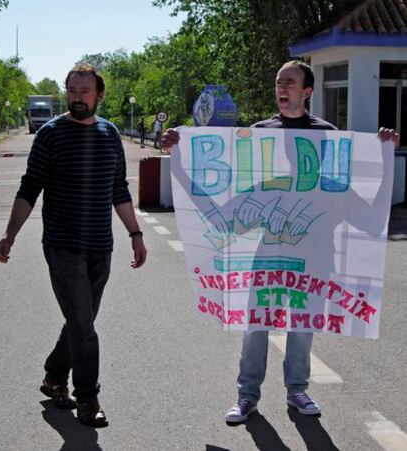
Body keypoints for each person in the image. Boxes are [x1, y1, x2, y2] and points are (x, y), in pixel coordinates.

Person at [162, 60, 399, 423]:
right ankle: (246, 396)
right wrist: (179, 155)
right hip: (268, 250)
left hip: (316, 252)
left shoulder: (327, 135)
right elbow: (231, 190)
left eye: (289, 82)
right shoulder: (259, 133)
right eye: (278, 82)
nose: (281, 88)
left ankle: (297, 390)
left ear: (307, 92)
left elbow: (353, 204)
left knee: (302, 324)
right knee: (256, 323)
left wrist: (384, 152)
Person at [0, 63, 147, 428]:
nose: (77, 98)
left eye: (85, 92)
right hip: (63, 246)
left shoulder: (110, 135)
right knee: (83, 325)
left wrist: (136, 235)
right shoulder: (50, 134)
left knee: (82, 321)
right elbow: (30, 187)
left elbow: (119, 190)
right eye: (72, 91)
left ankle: (53, 377)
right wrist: (10, 234)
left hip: (101, 244)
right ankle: (88, 398)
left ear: (99, 95)